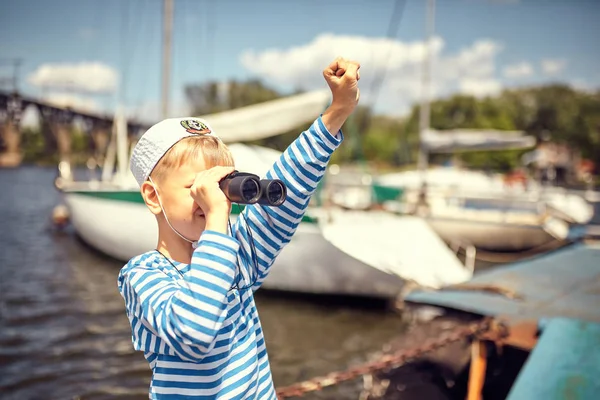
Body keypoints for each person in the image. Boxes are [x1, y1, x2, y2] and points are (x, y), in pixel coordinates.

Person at [117, 57, 361, 399]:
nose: (213, 198)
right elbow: (194, 331)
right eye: (197, 188)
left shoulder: (235, 258)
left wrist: (337, 111)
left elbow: (288, 188)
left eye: (220, 186)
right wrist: (217, 220)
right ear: (153, 197)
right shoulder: (143, 276)